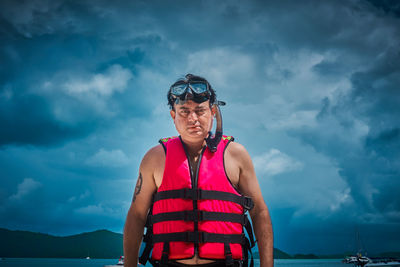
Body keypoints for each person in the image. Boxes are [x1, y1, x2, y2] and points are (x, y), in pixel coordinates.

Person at [124, 74, 273, 267]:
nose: (192, 118)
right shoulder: (154, 158)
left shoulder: (236, 155)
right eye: (184, 111)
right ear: (173, 116)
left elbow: (259, 212)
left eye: (200, 111)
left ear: (213, 112)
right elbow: (136, 215)